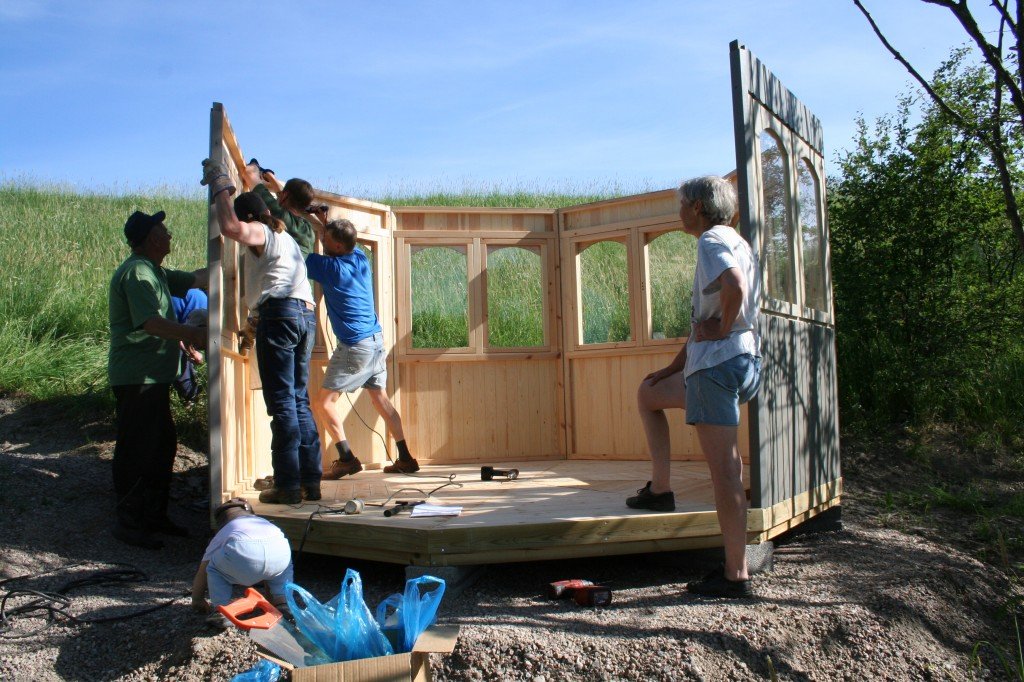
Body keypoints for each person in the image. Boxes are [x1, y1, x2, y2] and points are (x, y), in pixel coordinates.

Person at [630, 176, 762, 598]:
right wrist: (673, 366)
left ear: (699, 208)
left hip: (718, 367)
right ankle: (660, 489)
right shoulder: (739, 240)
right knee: (649, 393)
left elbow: (735, 289)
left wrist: (720, 328)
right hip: (741, 362)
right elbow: (708, 315)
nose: (679, 211)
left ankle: (735, 575)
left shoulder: (710, 242)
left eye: (682, 204)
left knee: (725, 472)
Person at [201, 160, 322, 505]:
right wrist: (252, 326)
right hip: (303, 317)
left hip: (282, 316)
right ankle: (309, 482)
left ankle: (286, 485)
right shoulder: (286, 240)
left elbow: (229, 226)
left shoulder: (262, 231)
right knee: (298, 400)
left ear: (251, 217)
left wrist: (222, 185)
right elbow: (275, 285)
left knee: (283, 403)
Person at [108, 210, 207, 549]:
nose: (169, 234)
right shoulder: (138, 274)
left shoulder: (156, 272)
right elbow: (150, 322)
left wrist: (237, 262)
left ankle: (153, 516)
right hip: (138, 376)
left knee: (162, 445)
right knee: (137, 447)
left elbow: (196, 279)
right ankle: (129, 522)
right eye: (164, 229)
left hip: (153, 376)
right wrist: (194, 335)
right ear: (152, 238)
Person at [306, 218, 419, 477]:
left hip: (355, 346)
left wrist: (306, 221)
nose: (321, 240)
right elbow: (333, 237)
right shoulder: (360, 260)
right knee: (381, 399)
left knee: (324, 402)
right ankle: (405, 458)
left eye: (325, 239)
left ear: (335, 245)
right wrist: (321, 220)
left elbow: (296, 253)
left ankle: (346, 458)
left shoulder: (330, 268)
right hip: (376, 342)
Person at [191, 498, 293, 629]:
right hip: (280, 551)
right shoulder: (264, 523)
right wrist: (269, 598)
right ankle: (281, 602)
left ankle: (222, 610)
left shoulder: (225, 530)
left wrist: (197, 599)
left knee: (214, 568)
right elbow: (269, 568)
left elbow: (203, 570)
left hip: (245, 555)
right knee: (282, 567)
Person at [245, 159, 316, 257]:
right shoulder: (309, 230)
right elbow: (282, 195)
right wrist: (270, 177)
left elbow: (249, 173)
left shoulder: (281, 215)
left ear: (285, 195)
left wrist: (255, 165)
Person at [171, 288, 208, 404]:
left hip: (169, 327)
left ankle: (191, 397)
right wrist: (193, 353)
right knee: (178, 361)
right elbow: (183, 337)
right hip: (162, 332)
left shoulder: (197, 297)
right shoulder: (202, 302)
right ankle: (191, 399)